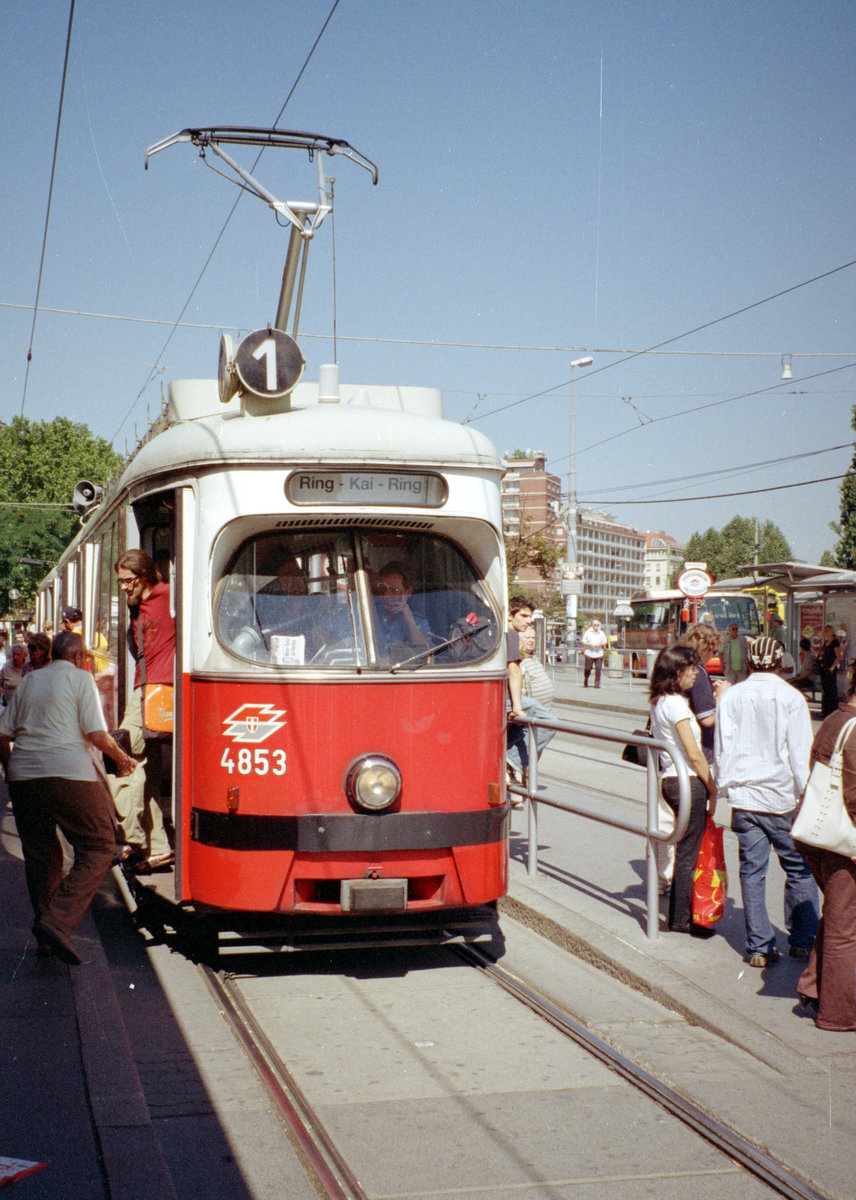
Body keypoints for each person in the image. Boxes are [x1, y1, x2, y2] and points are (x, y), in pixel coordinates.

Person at [0, 631, 134, 964]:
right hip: (67, 774)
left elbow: (2, 735)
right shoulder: (81, 678)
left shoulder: (30, 681)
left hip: (23, 776)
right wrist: (122, 759)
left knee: (42, 855)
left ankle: (46, 936)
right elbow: (96, 733)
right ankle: (57, 923)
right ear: (77, 657)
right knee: (100, 845)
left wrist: (12, 770)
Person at [715, 636, 819, 967]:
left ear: (748, 663)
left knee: (751, 871)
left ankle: (759, 946)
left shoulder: (731, 696)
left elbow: (723, 749)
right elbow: (801, 755)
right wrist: (807, 796)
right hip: (782, 798)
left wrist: (724, 788)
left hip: (745, 799)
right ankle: (802, 941)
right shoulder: (792, 697)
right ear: (779, 663)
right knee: (799, 869)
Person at [793, 658, 856, 1031]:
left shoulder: (836, 718)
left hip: (822, 837)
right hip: (843, 841)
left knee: (837, 915)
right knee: (845, 929)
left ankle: (814, 987)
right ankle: (839, 1015)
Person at [109, 549, 176, 872]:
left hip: (157, 691)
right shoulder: (136, 606)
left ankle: (128, 840)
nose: (123, 587)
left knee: (120, 755)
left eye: (127, 581)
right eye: (120, 582)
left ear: (145, 576)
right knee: (146, 775)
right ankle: (159, 847)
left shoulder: (169, 597)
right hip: (146, 689)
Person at [649, 644, 717, 935]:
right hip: (688, 781)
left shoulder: (659, 701)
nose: (696, 675)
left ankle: (678, 914)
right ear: (678, 672)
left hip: (669, 780)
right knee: (689, 852)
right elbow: (694, 753)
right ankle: (681, 919)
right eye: (692, 670)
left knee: (683, 849)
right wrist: (712, 789)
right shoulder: (676, 704)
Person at [506, 597, 555, 791]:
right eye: (524, 616)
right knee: (548, 722)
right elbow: (514, 671)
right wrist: (517, 708)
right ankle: (510, 760)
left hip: (500, 697)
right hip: (503, 699)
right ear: (510, 615)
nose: (528, 621)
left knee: (522, 728)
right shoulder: (509, 634)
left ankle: (507, 759)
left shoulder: (504, 632)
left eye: (530, 617)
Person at [374, 562, 431, 650]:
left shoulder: (418, 621)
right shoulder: (370, 613)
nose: (386, 595)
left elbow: (427, 655)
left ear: (408, 592)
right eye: (383, 589)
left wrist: (410, 621)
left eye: (393, 591)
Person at [519, 626, 554, 707]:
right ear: (519, 640)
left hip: (544, 708)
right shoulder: (520, 660)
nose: (531, 640)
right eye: (527, 638)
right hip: (531, 710)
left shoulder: (534, 657)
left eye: (533, 638)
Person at [818, 624, 843, 719]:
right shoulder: (826, 642)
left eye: (824, 632)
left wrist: (832, 667)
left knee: (831, 688)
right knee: (825, 689)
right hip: (824, 667)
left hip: (831, 668)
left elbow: (838, 657)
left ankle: (832, 709)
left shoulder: (835, 642)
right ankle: (825, 709)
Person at [581, 619, 608, 688]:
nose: (596, 626)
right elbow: (583, 642)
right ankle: (586, 679)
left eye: (597, 625)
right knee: (588, 668)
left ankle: (597, 684)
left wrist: (600, 644)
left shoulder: (601, 633)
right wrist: (589, 645)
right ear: (592, 625)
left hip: (599, 653)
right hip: (589, 653)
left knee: (598, 669)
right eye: (595, 625)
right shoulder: (588, 632)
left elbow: (605, 642)